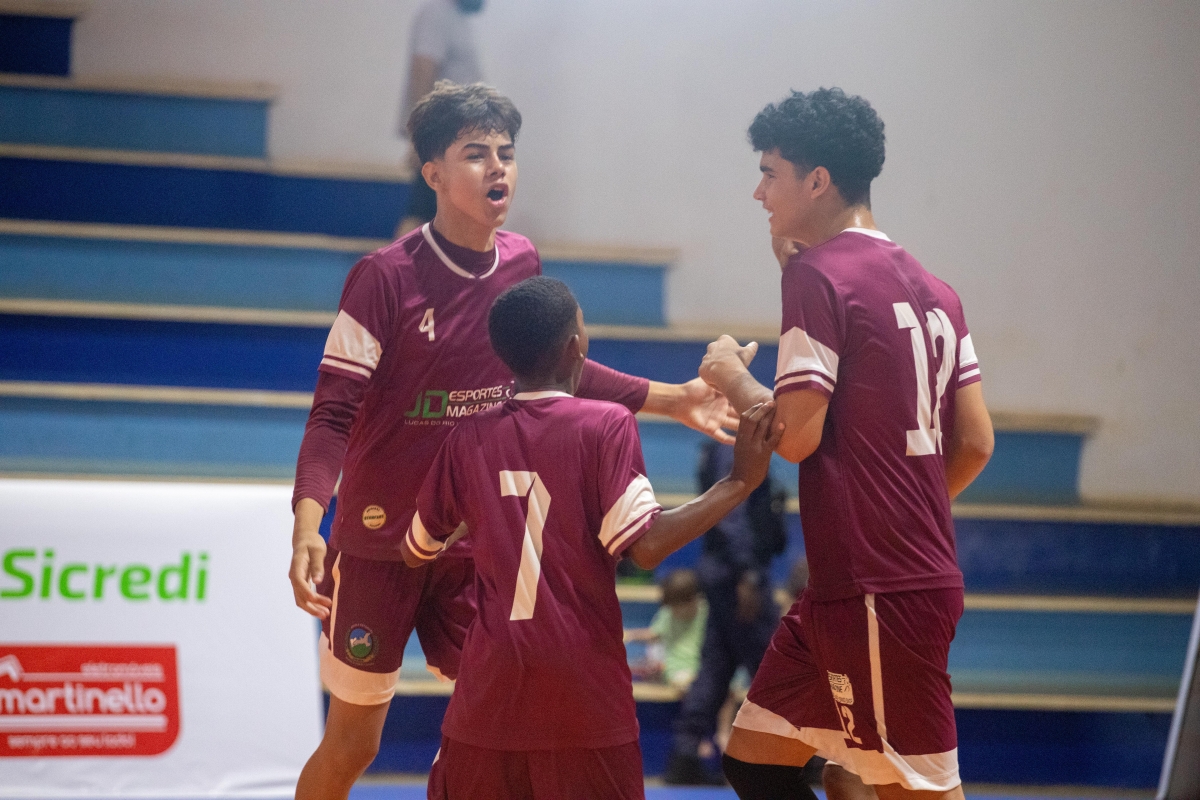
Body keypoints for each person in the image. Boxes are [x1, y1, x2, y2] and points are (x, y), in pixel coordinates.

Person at [288, 82, 741, 800]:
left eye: (506, 152)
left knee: (500, 722)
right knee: (353, 743)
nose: (497, 167)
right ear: (433, 173)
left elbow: (556, 364)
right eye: (476, 154)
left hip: (473, 547)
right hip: (380, 545)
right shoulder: (382, 277)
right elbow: (331, 414)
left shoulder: (522, 262)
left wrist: (671, 399)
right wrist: (307, 524)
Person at [699, 87, 995, 800]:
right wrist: (902, 512)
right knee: (756, 760)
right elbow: (977, 443)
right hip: (857, 584)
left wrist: (728, 374)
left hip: (877, 588)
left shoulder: (817, 276)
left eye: (769, 173)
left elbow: (796, 439)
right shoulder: (937, 290)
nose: (758, 193)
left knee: (916, 792)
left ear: (817, 181)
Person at [400, 276, 785, 799]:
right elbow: (645, 546)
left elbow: (417, 548)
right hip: (582, 691)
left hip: (488, 690)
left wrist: (487, 512)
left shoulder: (467, 435)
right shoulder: (606, 423)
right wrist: (738, 482)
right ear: (574, 346)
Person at [663, 440, 787, 785]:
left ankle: (686, 755)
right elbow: (732, 509)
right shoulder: (732, 444)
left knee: (716, 667)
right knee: (773, 666)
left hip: (724, 573)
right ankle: (796, 760)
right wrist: (747, 574)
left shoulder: (721, 445)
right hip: (737, 577)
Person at [397, 0, 486, 234]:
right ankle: (397, 259)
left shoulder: (455, 19)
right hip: (442, 139)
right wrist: (420, 135)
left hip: (455, 140)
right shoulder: (437, 15)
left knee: (436, 216)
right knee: (420, 215)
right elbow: (423, 69)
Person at [625, 568, 708, 688]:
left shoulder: (705, 611)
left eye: (677, 607)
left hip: (705, 667)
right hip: (678, 668)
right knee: (685, 681)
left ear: (693, 600)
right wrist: (630, 635)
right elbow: (653, 635)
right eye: (671, 607)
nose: (673, 611)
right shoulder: (667, 614)